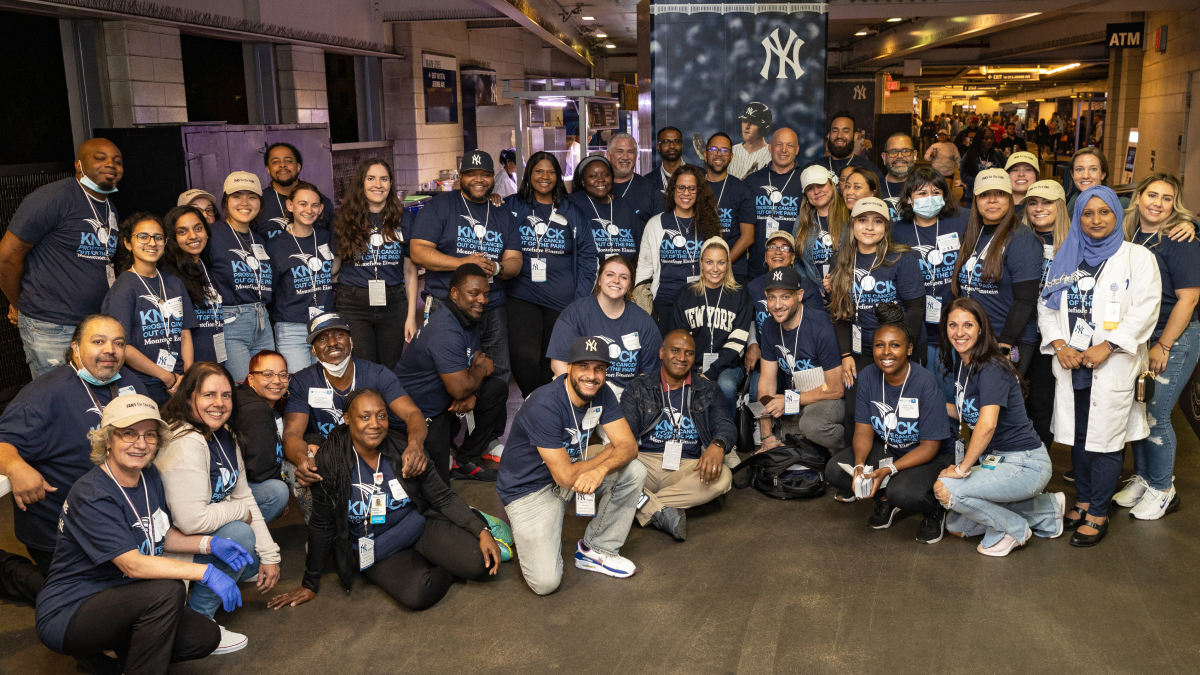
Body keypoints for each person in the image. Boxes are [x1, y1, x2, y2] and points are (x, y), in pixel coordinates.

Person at [34, 395, 244, 672]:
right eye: (128, 434)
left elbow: (160, 535)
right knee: (167, 591)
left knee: (204, 636)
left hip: (124, 599)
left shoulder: (149, 476)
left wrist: (209, 544)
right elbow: (132, 564)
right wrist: (206, 573)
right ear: (108, 439)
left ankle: (103, 656)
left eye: (149, 435)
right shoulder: (93, 494)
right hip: (71, 611)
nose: (141, 444)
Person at [266, 388, 499, 612]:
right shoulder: (331, 462)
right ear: (347, 419)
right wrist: (310, 583)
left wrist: (481, 530)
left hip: (418, 527)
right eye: (364, 417)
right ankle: (443, 563)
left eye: (381, 416)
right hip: (378, 548)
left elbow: (441, 495)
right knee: (418, 594)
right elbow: (322, 525)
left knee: (481, 562)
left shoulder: (404, 450)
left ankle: (456, 537)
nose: (375, 424)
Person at [1037, 186, 1161, 546]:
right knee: (1079, 436)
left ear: (1117, 216)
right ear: (1077, 218)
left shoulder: (1137, 258)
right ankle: (1086, 499)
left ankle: (1098, 512)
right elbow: (1047, 306)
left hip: (1112, 364)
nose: (1096, 220)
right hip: (1073, 362)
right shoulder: (1067, 256)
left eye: (1104, 212)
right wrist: (1059, 344)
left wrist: (1108, 345)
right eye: (1087, 213)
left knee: (1105, 439)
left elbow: (1146, 308)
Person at [0, 315, 146, 604]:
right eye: (98, 341)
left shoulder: (130, 382)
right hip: (62, 532)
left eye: (118, 343)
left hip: (118, 519)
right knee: (91, 611)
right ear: (75, 348)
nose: (110, 350)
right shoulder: (44, 394)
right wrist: (16, 467)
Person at [497, 336, 645, 595]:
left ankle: (597, 549)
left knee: (634, 471)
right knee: (545, 583)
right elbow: (566, 477)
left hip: (575, 466)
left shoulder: (602, 393)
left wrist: (599, 470)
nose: (592, 375)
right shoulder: (544, 404)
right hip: (529, 491)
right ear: (569, 368)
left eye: (599, 368)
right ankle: (493, 524)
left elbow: (629, 446)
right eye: (584, 366)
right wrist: (604, 457)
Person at [935, 298, 1064, 557]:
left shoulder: (991, 366)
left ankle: (1014, 529)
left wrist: (962, 469)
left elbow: (987, 424)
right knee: (956, 525)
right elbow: (965, 412)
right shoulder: (964, 362)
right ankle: (1046, 509)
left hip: (1025, 464)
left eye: (968, 325)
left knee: (948, 491)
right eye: (953, 325)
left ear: (981, 328)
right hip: (997, 460)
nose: (959, 333)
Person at [157, 362, 281, 619]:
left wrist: (271, 556)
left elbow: (243, 494)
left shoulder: (224, 433)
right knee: (240, 534)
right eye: (208, 395)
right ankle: (199, 617)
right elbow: (191, 522)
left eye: (226, 395)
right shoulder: (185, 442)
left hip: (210, 519)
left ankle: (231, 568)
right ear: (188, 396)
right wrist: (238, 511)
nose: (220, 403)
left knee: (274, 493)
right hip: (177, 543)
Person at [825, 303, 955, 543]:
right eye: (879, 345)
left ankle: (935, 510)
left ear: (909, 349)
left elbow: (930, 447)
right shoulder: (867, 376)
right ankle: (886, 499)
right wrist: (860, 465)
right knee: (835, 470)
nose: (886, 352)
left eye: (895, 345)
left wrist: (889, 470)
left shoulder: (925, 383)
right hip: (890, 448)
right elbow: (863, 431)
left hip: (928, 455)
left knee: (904, 493)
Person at [1, 138, 123, 377]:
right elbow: (7, 256)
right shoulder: (54, 197)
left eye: (117, 161)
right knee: (58, 399)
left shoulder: (109, 207)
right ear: (79, 165)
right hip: (52, 326)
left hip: (91, 327)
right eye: (100, 158)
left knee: (86, 400)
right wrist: (19, 304)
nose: (111, 164)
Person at [1118, 173, 1200, 519]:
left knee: (1156, 414)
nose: (1158, 203)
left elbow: (1190, 297)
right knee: (1139, 411)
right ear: (1138, 196)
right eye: (1152, 195)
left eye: (1167, 199)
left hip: (1173, 339)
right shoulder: (1130, 230)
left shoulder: (1180, 237)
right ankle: (1146, 478)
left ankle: (1164, 488)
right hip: (1142, 337)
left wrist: (1164, 345)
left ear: (1175, 205)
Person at [411, 148, 522, 385]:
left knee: (497, 372)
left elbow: (515, 261)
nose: (479, 180)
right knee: (443, 374)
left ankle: (489, 422)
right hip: (446, 305)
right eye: (472, 173)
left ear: (494, 176)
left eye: (485, 174)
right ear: (460, 176)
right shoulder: (440, 206)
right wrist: (462, 263)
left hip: (492, 307)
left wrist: (498, 268)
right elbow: (418, 251)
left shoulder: (504, 214)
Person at [282, 313, 433, 486]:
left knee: (418, 460)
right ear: (313, 351)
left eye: (339, 335)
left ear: (352, 342)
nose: (332, 343)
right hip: (329, 460)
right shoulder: (303, 382)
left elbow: (412, 413)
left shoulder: (377, 374)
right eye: (323, 339)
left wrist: (415, 445)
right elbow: (292, 433)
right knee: (299, 474)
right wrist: (303, 460)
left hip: (374, 452)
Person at [394, 264, 507, 482]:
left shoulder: (466, 316)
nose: (482, 300)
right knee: (437, 484)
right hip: (419, 411)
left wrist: (471, 392)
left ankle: (465, 459)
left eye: (485, 294)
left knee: (496, 389)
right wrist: (478, 374)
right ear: (455, 293)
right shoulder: (445, 329)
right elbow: (466, 379)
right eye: (474, 293)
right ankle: (448, 454)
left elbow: (475, 358)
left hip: (444, 399)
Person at [621, 330, 735, 540]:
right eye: (675, 351)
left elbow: (725, 425)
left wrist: (719, 444)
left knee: (723, 477)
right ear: (662, 352)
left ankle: (640, 505)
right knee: (597, 456)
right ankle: (661, 511)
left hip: (687, 466)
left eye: (689, 353)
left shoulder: (708, 389)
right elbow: (624, 436)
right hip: (642, 464)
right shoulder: (639, 388)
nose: (682, 358)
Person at [828, 197, 925, 444]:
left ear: (886, 227)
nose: (870, 227)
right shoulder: (841, 260)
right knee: (855, 411)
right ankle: (857, 466)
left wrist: (901, 350)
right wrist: (845, 354)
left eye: (877, 221)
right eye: (863, 220)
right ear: (852, 225)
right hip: (861, 350)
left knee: (898, 413)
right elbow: (840, 313)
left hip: (899, 349)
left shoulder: (902, 258)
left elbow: (916, 309)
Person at [504, 151, 596, 397]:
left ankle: (546, 408)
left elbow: (588, 256)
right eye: (538, 171)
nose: (545, 177)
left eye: (551, 172)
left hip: (562, 300)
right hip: (522, 296)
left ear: (558, 176)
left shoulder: (571, 210)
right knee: (523, 357)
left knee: (553, 360)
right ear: (528, 175)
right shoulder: (512, 205)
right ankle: (535, 400)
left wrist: (579, 299)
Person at [952, 169, 1043, 376]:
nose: (992, 201)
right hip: (975, 338)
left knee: (1001, 406)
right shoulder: (973, 234)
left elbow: (1025, 300)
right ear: (975, 200)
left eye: (999, 194)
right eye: (984, 195)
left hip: (1008, 340)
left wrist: (1005, 344)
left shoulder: (1021, 240)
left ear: (1010, 198)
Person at [102, 213, 197, 405]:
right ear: (128, 243)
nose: (152, 243)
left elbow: (184, 332)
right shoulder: (124, 287)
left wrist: (187, 375)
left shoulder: (174, 284)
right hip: (145, 384)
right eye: (143, 237)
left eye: (158, 237)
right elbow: (122, 346)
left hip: (179, 383)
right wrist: (166, 377)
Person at [332, 159, 417, 370]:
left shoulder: (404, 219)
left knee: (389, 369)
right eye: (371, 178)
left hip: (394, 303)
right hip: (354, 303)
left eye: (384, 179)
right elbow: (335, 266)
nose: (378, 184)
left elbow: (410, 271)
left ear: (390, 184)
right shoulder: (343, 219)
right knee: (363, 367)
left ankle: (385, 405)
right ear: (361, 183)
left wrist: (411, 316)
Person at [757, 267, 846, 453]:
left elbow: (836, 389)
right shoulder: (769, 326)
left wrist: (790, 400)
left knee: (812, 424)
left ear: (799, 295)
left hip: (829, 396)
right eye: (772, 297)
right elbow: (766, 385)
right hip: (799, 396)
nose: (777, 305)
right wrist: (766, 437)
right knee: (788, 437)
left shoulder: (821, 327)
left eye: (785, 297)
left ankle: (847, 450)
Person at [548, 255, 662, 396]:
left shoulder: (643, 320)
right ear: (600, 280)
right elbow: (558, 364)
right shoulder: (575, 313)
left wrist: (633, 402)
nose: (616, 281)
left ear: (629, 285)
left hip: (627, 395)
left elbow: (649, 374)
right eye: (610, 275)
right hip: (581, 388)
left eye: (623, 277)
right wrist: (583, 394)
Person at [892, 166, 968, 375]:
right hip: (918, 324)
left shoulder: (962, 221)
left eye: (936, 192)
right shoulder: (896, 231)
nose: (930, 198)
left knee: (954, 384)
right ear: (909, 198)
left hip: (957, 323)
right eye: (922, 193)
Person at [671, 238, 752, 418]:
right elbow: (679, 337)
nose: (715, 269)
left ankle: (725, 436)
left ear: (728, 264)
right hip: (692, 365)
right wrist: (690, 370)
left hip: (728, 367)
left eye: (721, 262)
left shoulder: (740, 294)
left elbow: (738, 340)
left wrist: (711, 372)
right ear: (701, 263)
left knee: (726, 385)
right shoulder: (687, 293)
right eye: (709, 262)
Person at [635, 164, 722, 331]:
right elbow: (644, 269)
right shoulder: (656, 224)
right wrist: (645, 308)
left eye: (691, 188)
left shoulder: (710, 223)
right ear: (672, 189)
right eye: (681, 187)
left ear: (699, 191)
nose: (686, 193)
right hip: (664, 301)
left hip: (701, 300)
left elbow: (719, 264)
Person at [743, 231, 824, 408]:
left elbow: (818, 325)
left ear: (793, 257)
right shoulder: (753, 286)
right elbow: (748, 320)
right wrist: (752, 343)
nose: (778, 252)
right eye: (772, 247)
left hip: (800, 356)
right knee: (757, 389)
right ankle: (762, 429)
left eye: (784, 248)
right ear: (765, 256)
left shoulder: (806, 286)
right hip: (767, 354)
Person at [207, 171, 274, 382]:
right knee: (242, 389)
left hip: (263, 321)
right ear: (226, 202)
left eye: (252, 197)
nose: (245, 202)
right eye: (237, 196)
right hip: (231, 323)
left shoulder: (259, 239)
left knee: (267, 386)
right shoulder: (211, 234)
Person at [266, 181, 338, 372]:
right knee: (300, 385)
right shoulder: (275, 245)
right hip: (292, 329)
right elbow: (270, 290)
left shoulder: (325, 237)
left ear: (321, 208)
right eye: (303, 204)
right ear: (290, 206)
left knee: (327, 383)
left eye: (314, 205)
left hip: (325, 325)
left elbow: (335, 268)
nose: (309, 210)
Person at [234, 350, 292, 523]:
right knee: (278, 491)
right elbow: (258, 470)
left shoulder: (250, 398)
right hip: (233, 490)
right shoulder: (256, 410)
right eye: (268, 374)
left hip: (237, 482)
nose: (277, 381)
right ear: (251, 379)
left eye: (283, 375)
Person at [163, 205, 226, 365]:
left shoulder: (206, 267)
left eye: (198, 228)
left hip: (215, 358)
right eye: (182, 231)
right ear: (172, 237)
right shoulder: (167, 276)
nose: (193, 236)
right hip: (189, 365)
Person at [746, 128, 809, 280]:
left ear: (797, 149)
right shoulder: (752, 181)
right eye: (779, 144)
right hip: (757, 268)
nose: (783, 150)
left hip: (797, 269)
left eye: (789, 145)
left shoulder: (806, 180)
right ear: (770, 147)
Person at [567, 155, 642, 264]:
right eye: (593, 176)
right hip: (588, 279)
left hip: (623, 278)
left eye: (606, 175)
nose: (601, 180)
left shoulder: (623, 206)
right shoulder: (572, 204)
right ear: (582, 181)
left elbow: (638, 250)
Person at [703, 133, 756, 283]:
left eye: (724, 150)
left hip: (733, 270)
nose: (719, 154)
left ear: (731, 157)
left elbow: (748, 237)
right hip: (697, 269)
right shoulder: (695, 187)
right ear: (705, 155)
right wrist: (705, 266)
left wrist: (722, 265)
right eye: (713, 149)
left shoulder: (742, 189)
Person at [255, 142, 336, 239]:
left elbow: (335, 240)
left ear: (298, 167)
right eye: (276, 162)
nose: (282, 165)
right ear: (268, 169)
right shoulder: (257, 202)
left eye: (288, 161)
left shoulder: (319, 201)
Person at [794, 165, 852, 291]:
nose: (816, 192)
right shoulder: (801, 222)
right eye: (810, 188)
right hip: (814, 297)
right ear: (806, 194)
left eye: (821, 185)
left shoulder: (849, 216)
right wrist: (810, 290)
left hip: (846, 293)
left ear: (832, 185)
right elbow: (796, 261)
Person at [803, 111, 883, 184]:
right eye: (835, 131)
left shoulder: (870, 170)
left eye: (845, 131)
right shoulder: (813, 168)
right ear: (829, 135)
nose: (839, 135)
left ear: (855, 136)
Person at [607, 132, 659, 224]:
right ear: (608, 155)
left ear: (636, 156)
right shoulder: (599, 186)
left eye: (630, 152)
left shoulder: (649, 189)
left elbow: (659, 228)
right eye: (620, 151)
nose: (625, 157)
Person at [1065, 147, 1127, 212]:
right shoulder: (1071, 205)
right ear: (1072, 175)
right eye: (1079, 169)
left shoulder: (1123, 206)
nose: (1086, 176)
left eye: (1093, 169)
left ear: (1103, 174)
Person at [879, 133, 916, 220]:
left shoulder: (929, 187)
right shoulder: (873, 187)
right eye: (893, 152)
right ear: (884, 157)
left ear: (914, 155)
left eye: (905, 151)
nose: (899, 156)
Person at [730, 102, 772, 179]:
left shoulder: (773, 156)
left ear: (764, 128)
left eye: (752, 122)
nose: (746, 126)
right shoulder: (731, 151)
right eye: (744, 121)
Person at [960, 132, 1004, 204]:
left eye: (991, 138)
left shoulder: (998, 154)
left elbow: (1006, 173)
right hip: (973, 196)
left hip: (994, 196)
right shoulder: (969, 155)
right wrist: (983, 180)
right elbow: (963, 177)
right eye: (985, 138)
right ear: (979, 139)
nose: (989, 141)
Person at [648, 127, 687, 193]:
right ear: (658, 146)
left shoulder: (699, 175)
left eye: (676, 141)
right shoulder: (649, 180)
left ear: (682, 145)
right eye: (666, 142)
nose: (672, 146)